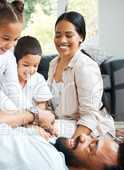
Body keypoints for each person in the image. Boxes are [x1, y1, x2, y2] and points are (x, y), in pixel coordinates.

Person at [47, 11, 115, 139]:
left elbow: (90, 116)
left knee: (37, 132)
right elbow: (50, 105)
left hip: (89, 129)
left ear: (81, 37)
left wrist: (72, 145)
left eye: (69, 35)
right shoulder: (53, 64)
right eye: (58, 35)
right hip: (62, 123)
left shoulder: (86, 66)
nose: (62, 40)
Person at [14, 36, 52, 110]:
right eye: (26, 65)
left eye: (35, 66)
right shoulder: (8, 77)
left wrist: (31, 114)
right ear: (15, 61)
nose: (31, 70)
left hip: (33, 118)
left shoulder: (38, 79)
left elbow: (43, 104)